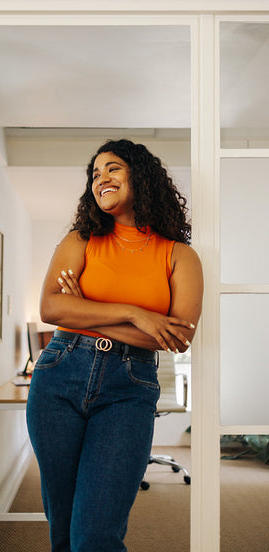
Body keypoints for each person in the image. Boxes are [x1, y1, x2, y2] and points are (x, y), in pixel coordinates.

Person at [26, 139, 203, 552]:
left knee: (96, 535)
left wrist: (86, 308)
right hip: (58, 377)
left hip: (129, 389)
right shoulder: (81, 239)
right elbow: (52, 308)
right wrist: (136, 313)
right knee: (63, 525)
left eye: (113, 169)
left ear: (140, 176)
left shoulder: (180, 256)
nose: (100, 179)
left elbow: (177, 337)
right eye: (95, 174)